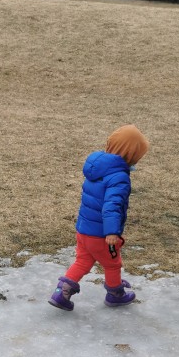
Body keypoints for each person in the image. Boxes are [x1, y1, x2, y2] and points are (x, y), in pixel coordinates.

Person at [48, 124, 150, 311]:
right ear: (130, 154)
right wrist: (112, 231)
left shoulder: (98, 168)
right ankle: (115, 294)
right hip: (102, 234)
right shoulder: (119, 176)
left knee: (83, 261)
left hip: (84, 230)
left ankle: (61, 292)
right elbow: (111, 205)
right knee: (112, 264)